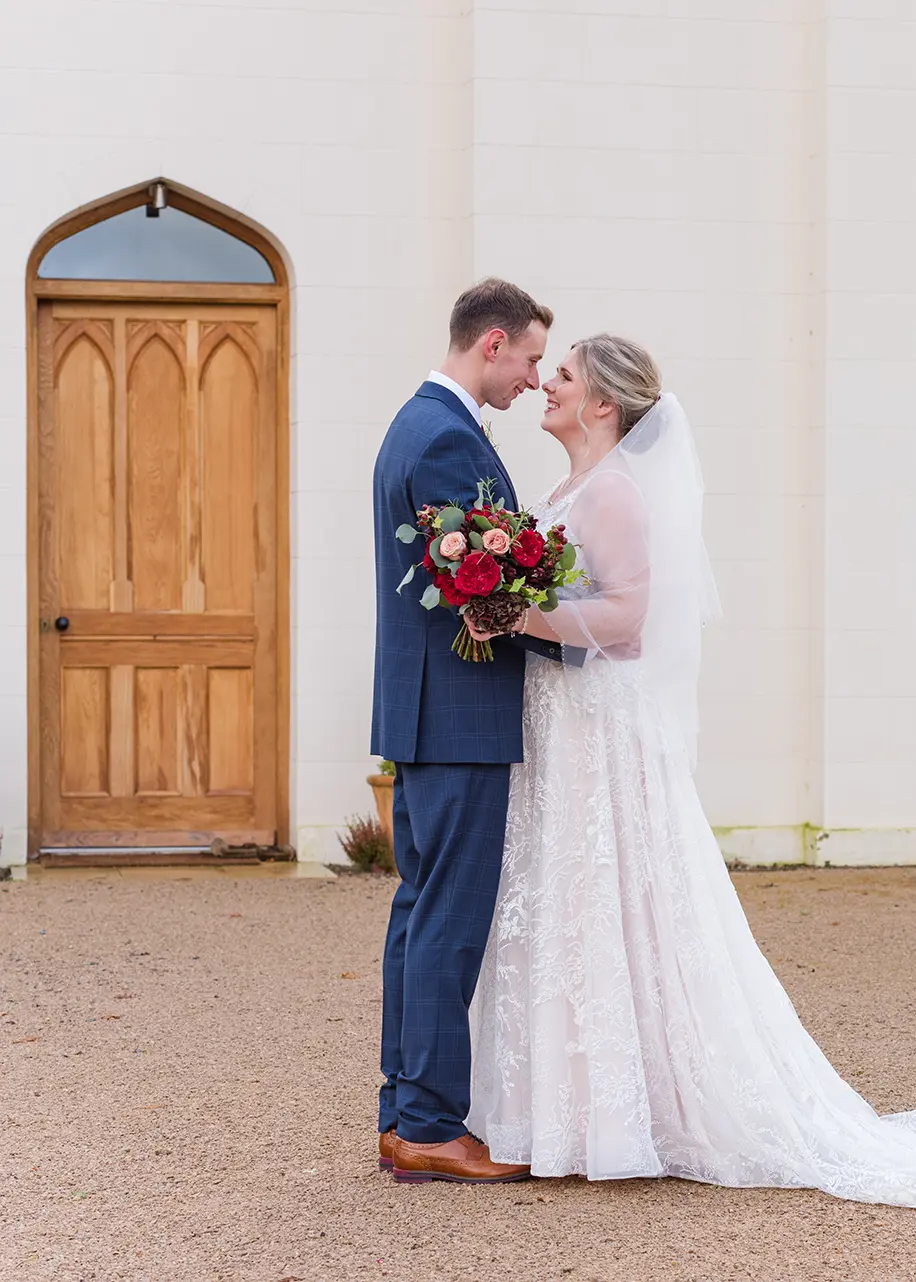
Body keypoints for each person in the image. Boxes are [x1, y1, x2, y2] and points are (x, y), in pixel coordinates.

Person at [459, 334, 916, 1208]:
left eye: (562, 377)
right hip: (564, 724)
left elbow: (627, 619)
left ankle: (629, 1113)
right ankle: (572, 1108)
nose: (545, 385)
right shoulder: (570, 488)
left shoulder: (618, 494)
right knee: (575, 902)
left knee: (617, 899)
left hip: (602, 729)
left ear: (603, 407)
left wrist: (519, 611)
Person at [369, 278, 559, 1184]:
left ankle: (404, 1113)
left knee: (417, 914)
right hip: (458, 716)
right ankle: (433, 1124)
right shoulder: (446, 436)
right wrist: (587, 639)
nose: (531, 379)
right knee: (447, 920)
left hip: (425, 715)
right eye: (527, 359)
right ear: (492, 343)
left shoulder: (419, 422)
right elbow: (482, 586)